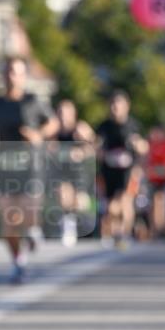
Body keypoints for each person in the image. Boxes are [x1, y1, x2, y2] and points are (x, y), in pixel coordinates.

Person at [0, 57, 59, 283]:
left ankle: (33, 231)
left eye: (16, 72)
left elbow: (53, 123)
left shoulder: (32, 101)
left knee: (28, 211)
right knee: (8, 220)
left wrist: (39, 135)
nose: (12, 76)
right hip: (5, 166)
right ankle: (19, 262)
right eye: (8, 71)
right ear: (4, 75)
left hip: (30, 165)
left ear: (23, 76)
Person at [95, 91, 148, 249]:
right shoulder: (104, 126)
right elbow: (96, 148)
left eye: (118, 104)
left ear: (127, 106)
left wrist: (138, 146)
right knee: (112, 206)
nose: (115, 107)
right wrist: (105, 155)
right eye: (112, 104)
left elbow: (144, 148)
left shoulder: (133, 125)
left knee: (125, 201)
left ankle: (124, 234)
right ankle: (117, 232)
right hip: (109, 172)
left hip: (128, 172)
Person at [47, 98, 95, 247]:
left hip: (79, 172)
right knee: (63, 195)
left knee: (81, 203)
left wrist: (81, 152)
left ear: (73, 114)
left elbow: (95, 148)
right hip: (61, 171)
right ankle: (68, 225)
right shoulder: (53, 131)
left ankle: (82, 221)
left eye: (66, 113)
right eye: (60, 112)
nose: (63, 116)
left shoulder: (80, 129)